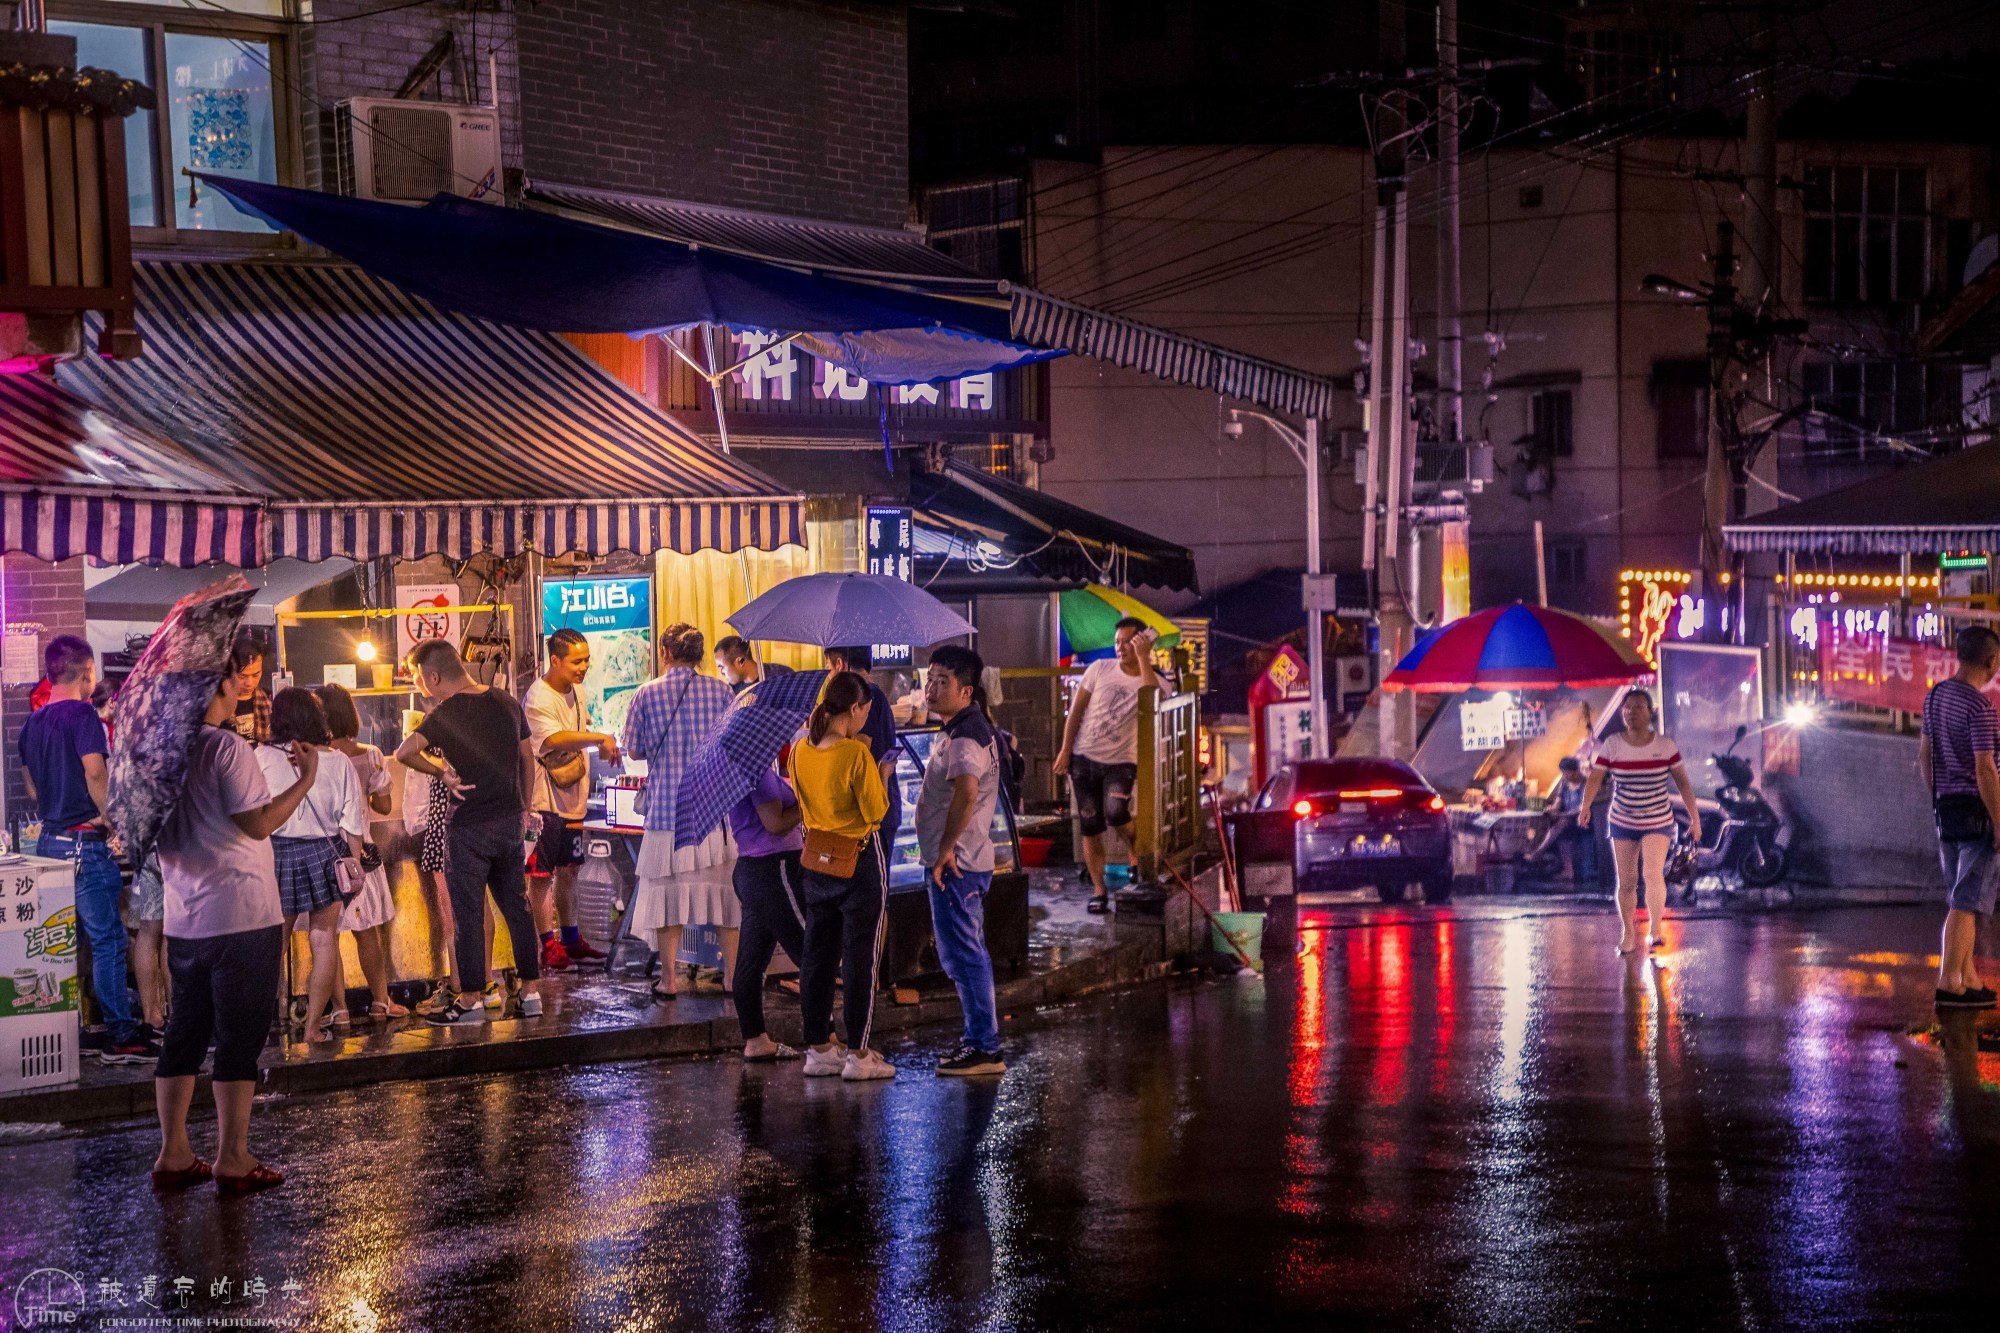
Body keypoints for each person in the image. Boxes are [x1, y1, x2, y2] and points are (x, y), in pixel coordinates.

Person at [152, 630, 315, 1195]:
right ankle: (233, 1155)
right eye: (235, 678)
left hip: (184, 918)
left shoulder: (158, 753)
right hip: (242, 915)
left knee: (184, 1035)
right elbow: (258, 822)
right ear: (219, 685)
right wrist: (307, 778)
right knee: (238, 1040)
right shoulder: (226, 748)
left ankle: (174, 1151)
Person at [396, 639, 544, 1026]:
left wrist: (441, 772)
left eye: (417, 678)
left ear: (432, 676)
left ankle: (471, 1000)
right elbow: (528, 759)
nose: (418, 685)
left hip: (467, 830)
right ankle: (531, 993)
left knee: (468, 914)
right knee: (518, 907)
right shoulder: (506, 701)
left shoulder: (445, 714)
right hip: (510, 822)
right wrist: (524, 806)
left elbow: (404, 752)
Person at [18, 635, 151, 1062]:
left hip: (47, 843)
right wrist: (112, 816)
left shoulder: (32, 724)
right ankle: (120, 1034)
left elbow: (33, 790)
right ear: (87, 671)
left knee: (60, 943)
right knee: (109, 939)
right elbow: (96, 773)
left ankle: (70, 1029)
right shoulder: (83, 715)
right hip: (84, 845)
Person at [622, 624, 737, 1001]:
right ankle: (733, 977)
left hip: (667, 813)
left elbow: (634, 749)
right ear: (701, 656)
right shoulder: (722, 692)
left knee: (667, 899)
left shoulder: (646, 694)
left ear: (665, 653)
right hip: (713, 814)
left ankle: (668, 980)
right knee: (724, 898)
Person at [792, 671, 896, 1082]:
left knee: (816, 956)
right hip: (859, 861)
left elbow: (802, 802)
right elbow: (876, 813)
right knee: (860, 958)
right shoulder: (856, 755)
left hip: (816, 861)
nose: (864, 721)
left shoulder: (800, 750)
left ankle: (818, 1048)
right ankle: (858, 1054)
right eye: (865, 713)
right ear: (853, 709)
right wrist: (882, 774)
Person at [258, 688, 368, 1042]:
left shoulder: (261, 756)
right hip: (325, 852)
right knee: (324, 942)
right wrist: (355, 867)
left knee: (273, 944)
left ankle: (257, 1027)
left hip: (276, 854)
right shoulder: (337, 761)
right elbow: (353, 823)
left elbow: (252, 815)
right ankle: (313, 1029)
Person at [918, 646, 1006, 1076]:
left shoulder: (967, 734)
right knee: (964, 953)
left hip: (958, 864)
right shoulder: (961, 726)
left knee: (965, 955)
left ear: (966, 690)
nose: (931, 688)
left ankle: (983, 1047)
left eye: (942, 682)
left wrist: (946, 847)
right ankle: (981, 1042)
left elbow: (967, 791)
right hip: (960, 860)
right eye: (930, 678)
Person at [524, 629, 621, 972]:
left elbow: (581, 724)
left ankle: (571, 938)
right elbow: (554, 737)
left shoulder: (577, 690)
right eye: (577, 661)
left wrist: (599, 734)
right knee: (540, 875)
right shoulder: (538, 696)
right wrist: (599, 738)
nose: (584, 667)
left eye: (586, 659)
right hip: (543, 800)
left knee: (570, 870)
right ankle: (547, 945)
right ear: (555, 660)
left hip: (573, 795)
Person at [1576, 690, 1700, 954]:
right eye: (1626, 708)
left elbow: (1683, 783)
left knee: (1652, 873)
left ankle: (1655, 931)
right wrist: (1585, 806)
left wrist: (1695, 818)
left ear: (1650, 711)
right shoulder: (1613, 744)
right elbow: (1595, 778)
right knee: (1627, 879)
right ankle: (1628, 932)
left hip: (1658, 818)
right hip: (1623, 818)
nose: (1631, 713)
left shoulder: (1665, 746)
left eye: (1638, 707)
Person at [1053, 618, 1161, 912]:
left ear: (1142, 642)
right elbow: (1076, 712)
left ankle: (1134, 854)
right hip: (1084, 758)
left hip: (1122, 762)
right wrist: (1065, 751)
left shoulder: (1152, 677)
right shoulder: (1099, 669)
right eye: (1117, 642)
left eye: (1128, 641)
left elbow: (1157, 702)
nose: (1121, 647)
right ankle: (1099, 891)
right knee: (1090, 824)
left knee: (1116, 814)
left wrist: (1143, 659)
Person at [1920, 624, 2000, 1009]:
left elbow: (1925, 755)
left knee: (1960, 896)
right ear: (1992, 660)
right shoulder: (1980, 707)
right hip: (1977, 815)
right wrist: (1999, 821)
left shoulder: (1935, 697)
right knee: (1965, 902)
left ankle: (1968, 976)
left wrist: (1937, 798)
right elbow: (1986, 769)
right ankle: (1950, 982)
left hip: (1947, 811)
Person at [316, 683, 406, 1021]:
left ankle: (339, 1010)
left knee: (327, 937)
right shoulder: (370, 755)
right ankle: (381, 1003)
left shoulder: (315, 757)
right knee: (366, 933)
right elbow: (383, 806)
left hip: (324, 856)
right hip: (361, 857)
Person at [729, 759, 806, 1061]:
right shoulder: (755, 771)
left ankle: (755, 1039)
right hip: (774, 869)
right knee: (811, 952)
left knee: (752, 959)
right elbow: (775, 823)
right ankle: (824, 1040)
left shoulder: (743, 769)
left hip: (752, 870)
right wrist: (809, 804)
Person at [824, 644, 902, 850]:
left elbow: (860, 750)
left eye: (829, 669)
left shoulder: (865, 698)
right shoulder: (874, 695)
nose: (829, 677)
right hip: (874, 807)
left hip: (874, 812)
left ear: (840, 664)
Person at [1526, 757, 1597, 883]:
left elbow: (1582, 808)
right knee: (1558, 828)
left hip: (1583, 821)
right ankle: (1567, 871)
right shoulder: (1564, 784)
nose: (1565, 776)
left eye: (1567, 772)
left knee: (1561, 824)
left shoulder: (1586, 784)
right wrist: (1550, 809)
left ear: (1575, 771)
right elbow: (1559, 802)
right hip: (1568, 821)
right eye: (1563, 773)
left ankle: (1538, 852)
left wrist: (1563, 814)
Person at [715, 635, 793, 694]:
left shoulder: (782, 675)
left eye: (722, 667)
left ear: (740, 661)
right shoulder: (733, 692)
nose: (721, 673)